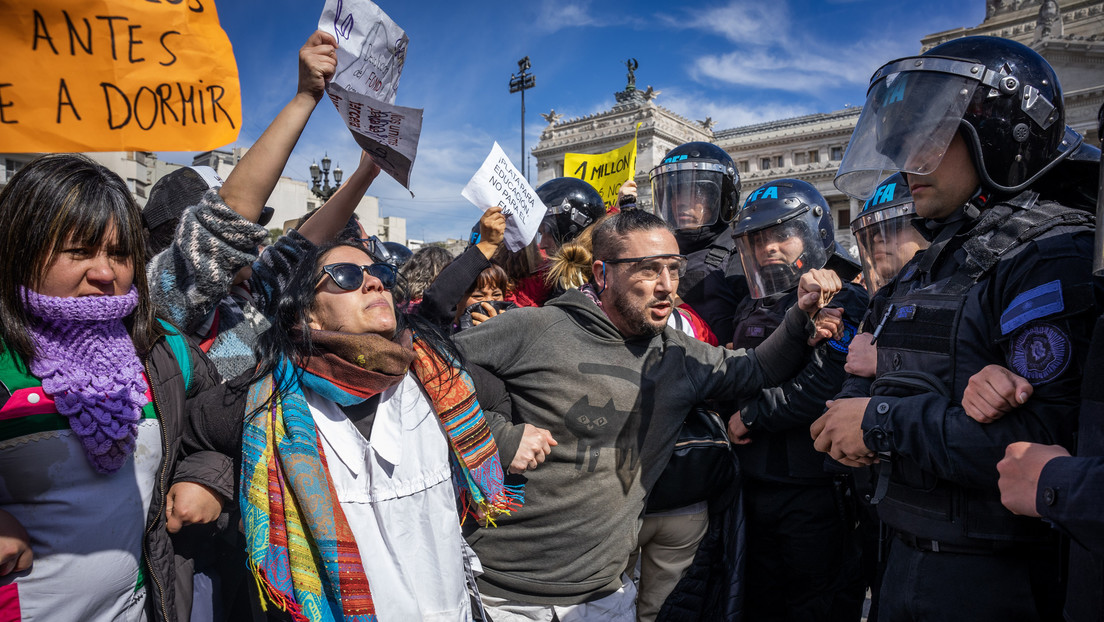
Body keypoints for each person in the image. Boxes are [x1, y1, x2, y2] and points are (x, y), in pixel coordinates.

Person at [814, 36, 1103, 620]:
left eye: (928, 137)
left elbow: (1046, 447)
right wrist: (864, 412)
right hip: (902, 555)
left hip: (994, 580)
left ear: (996, 134)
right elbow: (868, 368)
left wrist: (881, 421)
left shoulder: (1049, 254)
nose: (907, 164)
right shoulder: (936, 256)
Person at [451, 208, 842, 621]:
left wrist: (800, 313)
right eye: (649, 270)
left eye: (674, 269)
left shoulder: (679, 354)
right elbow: (423, 368)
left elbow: (758, 368)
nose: (668, 287)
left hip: (606, 597)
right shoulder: (535, 328)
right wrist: (494, 435)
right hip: (502, 596)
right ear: (602, 274)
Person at [180, 237, 556, 621]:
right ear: (309, 315)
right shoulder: (266, 400)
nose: (374, 283)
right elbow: (184, 435)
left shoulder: (437, 376)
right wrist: (211, 479)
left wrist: (505, 440)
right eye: (345, 276)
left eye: (379, 274)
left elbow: (498, 402)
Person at [0, 154, 226, 621]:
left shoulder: (160, 347)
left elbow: (217, 424)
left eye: (120, 254)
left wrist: (207, 477)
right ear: (20, 247)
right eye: (78, 251)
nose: (105, 273)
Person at [725, 178, 867, 622]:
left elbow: (825, 385)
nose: (769, 248)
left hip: (811, 485)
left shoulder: (843, 295)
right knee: (759, 600)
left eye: (781, 235)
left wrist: (752, 413)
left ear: (810, 232)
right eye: (760, 239)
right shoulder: (751, 304)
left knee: (814, 603)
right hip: (754, 480)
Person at [649, 141, 749, 345]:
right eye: (676, 194)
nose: (683, 202)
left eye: (697, 193)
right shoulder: (654, 253)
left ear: (722, 199)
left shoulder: (742, 256)